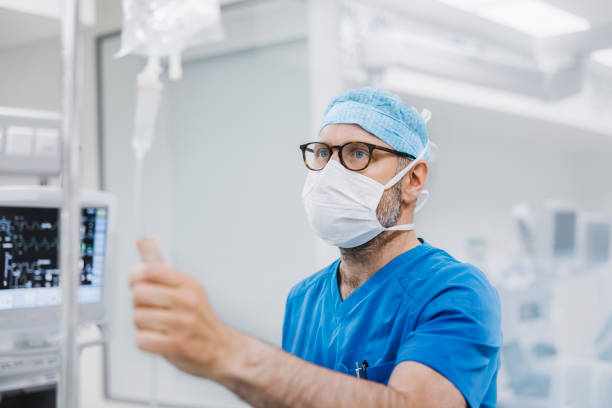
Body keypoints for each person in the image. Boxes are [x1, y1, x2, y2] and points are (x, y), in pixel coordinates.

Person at [130, 87, 502, 408]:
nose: (330, 173)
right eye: (323, 154)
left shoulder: (455, 293)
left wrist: (227, 351)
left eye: (358, 154)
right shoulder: (303, 298)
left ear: (413, 180)